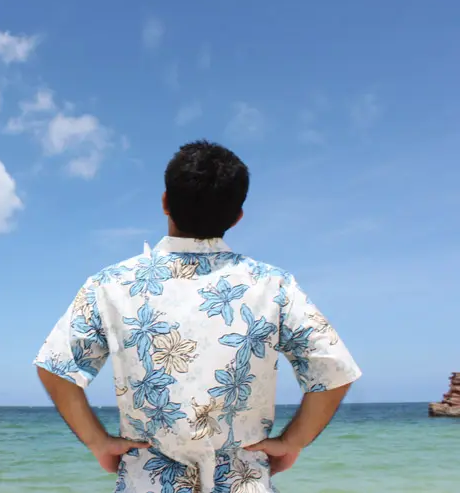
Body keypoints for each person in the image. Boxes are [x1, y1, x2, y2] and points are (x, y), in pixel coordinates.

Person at [33, 140, 362, 493]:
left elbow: (56, 367)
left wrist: (98, 442)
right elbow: (333, 369)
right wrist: (292, 441)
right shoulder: (272, 285)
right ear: (237, 216)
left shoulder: (112, 284)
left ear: (165, 202)